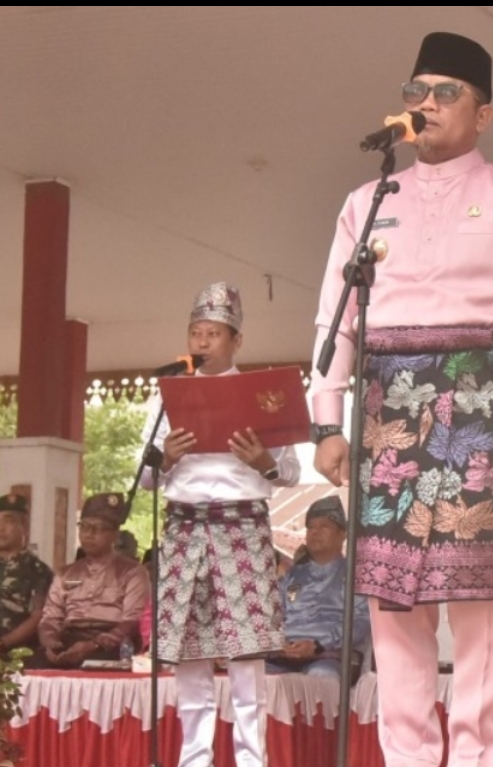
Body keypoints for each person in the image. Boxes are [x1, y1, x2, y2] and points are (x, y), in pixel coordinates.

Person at [308, 31, 493, 767]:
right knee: (394, 611)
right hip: (387, 412)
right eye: (415, 91)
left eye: (445, 92)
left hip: (485, 406)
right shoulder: (367, 202)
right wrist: (326, 421)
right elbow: (335, 318)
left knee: (481, 614)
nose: (426, 104)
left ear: (482, 114)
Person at [139, 282, 301, 767]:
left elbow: (291, 473)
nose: (202, 342)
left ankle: (252, 760)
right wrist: (165, 458)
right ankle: (194, 759)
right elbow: (143, 479)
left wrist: (263, 462)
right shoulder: (166, 397)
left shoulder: (262, 395)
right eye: (196, 333)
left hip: (242, 529)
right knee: (190, 654)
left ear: (236, 341)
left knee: (246, 658)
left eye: (213, 333)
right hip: (184, 529)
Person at [38, 493, 149, 667]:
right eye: (84, 527)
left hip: (111, 645)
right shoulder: (65, 573)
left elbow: (132, 621)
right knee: (27, 666)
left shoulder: (133, 572)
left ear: (114, 534)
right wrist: (51, 642)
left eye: (98, 528)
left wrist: (94, 644)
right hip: (69, 640)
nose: (89, 534)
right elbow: (50, 618)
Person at [268, 496, 372, 680]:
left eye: (324, 527)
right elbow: (272, 616)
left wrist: (318, 645)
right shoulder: (292, 576)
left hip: (331, 656)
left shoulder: (356, 576)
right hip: (285, 655)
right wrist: (278, 643)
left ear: (343, 534)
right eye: (311, 528)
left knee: (321, 676)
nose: (315, 533)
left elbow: (360, 622)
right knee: (256, 676)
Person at [0, 493, 53, 658]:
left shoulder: (38, 571)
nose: (1, 527)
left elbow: (38, 616)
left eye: (8, 521)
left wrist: (4, 642)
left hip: (17, 655)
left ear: (24, 526)